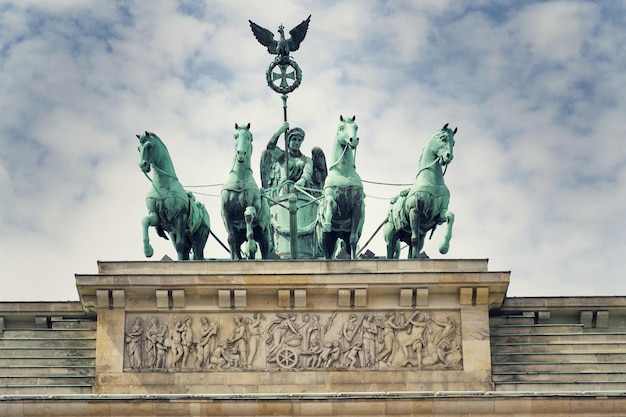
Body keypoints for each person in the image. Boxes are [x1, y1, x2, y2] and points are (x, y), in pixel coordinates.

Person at [266, 121, 313, 189]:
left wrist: (303, 180)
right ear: (288, 141)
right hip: (284, 190)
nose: (297, 142)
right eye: (294, 139)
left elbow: (307, 172)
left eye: (299, 140)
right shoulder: (282, 156)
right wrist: (279, 132)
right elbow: (270, 147)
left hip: (302, 190)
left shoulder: (306, 160)